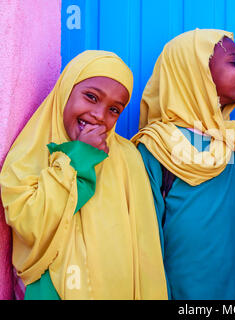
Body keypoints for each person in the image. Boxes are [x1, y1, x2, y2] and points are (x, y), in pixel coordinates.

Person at [0, 50, 168, 300]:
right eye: (91, 97)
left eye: (114, 109)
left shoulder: (127, 157)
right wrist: (77, 158)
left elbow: (145, 246)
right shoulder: (28, 154)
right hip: (50, 290)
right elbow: (31, 224)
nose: (99, 115)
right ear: (66, 90)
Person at [131, 29, 235, 300]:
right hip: (180, 291)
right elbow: (144, 232)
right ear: (195, 73)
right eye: (234, 62)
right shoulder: (156, 145)